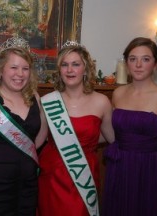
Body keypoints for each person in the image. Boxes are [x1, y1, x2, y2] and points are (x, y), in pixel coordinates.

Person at [103, 37, 157, 216]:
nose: (138, 64)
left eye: (145, 59)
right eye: (132, 59)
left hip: (150, 170)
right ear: (126, 63)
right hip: (119, 168)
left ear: (156, 64)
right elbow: (110, 132)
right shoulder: (118, 93)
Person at [38, 41, 115, 216]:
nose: (69, 70)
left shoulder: (101, 101)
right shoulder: (48, 101)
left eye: (75, 64)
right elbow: (39, 140)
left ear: (85, 69)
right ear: (59, 70)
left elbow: (111, 138)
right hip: (52, 175)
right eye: (64, 65)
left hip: (83, 174)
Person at [0, 36, 48, 216]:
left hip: (27, 183)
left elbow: (39, 138)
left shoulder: (35, 98)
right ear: (1, 70)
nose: (20, 74)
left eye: (25, 68)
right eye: (14, 67)